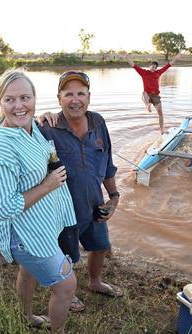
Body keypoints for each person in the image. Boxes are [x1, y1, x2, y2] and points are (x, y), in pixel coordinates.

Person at [0, 70, 77, 333]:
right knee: (67, 285)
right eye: (10, 100)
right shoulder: (1, 147)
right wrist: (48, 184)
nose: (19, 106)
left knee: (28, 272)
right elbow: (4, 208)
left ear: (34, 99)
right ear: (0, 103)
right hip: (24, 232)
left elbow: (7, 180)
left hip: (38, 222)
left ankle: (27, 317)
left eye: (25, 97)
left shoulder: (29, 129)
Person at [39, 70, 123, 309]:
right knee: (67, 256)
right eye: (68, 94)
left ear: (89, 97)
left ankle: (95, 282)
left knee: (100, 247)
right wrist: (38, 118)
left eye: (80, 93)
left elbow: (107, 163)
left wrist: (114, 197)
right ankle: (67, 292)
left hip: (95, 202)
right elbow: (22, 149)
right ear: (59, 98)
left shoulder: (98, 122)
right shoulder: (47, 127)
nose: (75, 99)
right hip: (64, 208)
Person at [125, 54, 179, 134]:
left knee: (160, 114)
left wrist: (176, 58)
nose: (154, 68)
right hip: (147, 96)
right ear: (149, 66)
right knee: (143, 93)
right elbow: (134, 65)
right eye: (152, 66)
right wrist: (127, 58)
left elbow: (168, 65)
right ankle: (148, 106)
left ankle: (162, 131)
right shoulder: (143, 72)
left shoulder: (158, 72)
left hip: (156, 96)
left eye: (155, 67)